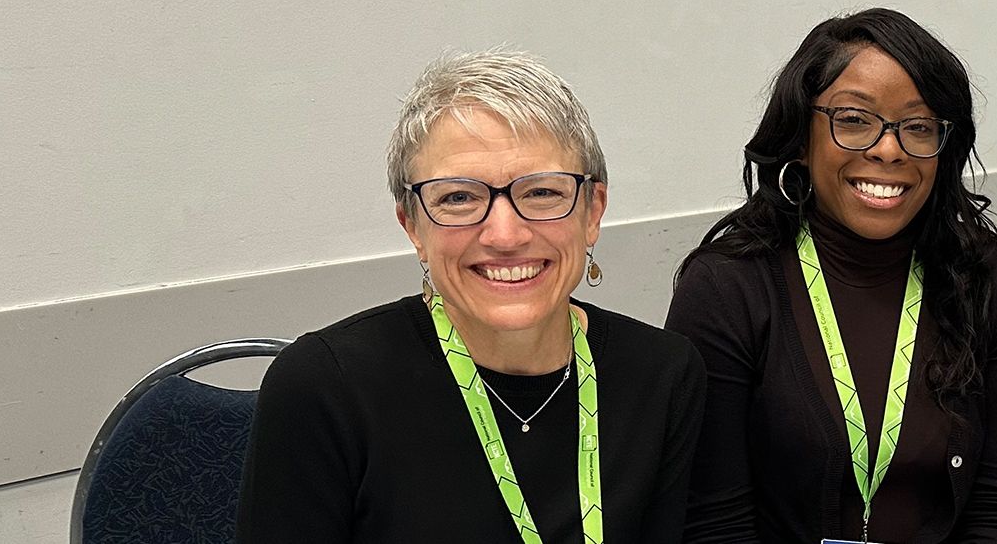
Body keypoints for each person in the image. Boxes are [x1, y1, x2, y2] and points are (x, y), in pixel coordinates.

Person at [237, 50, 707, 542]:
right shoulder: (324, 387)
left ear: (592, 212)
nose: (505, 235)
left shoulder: (663, 376)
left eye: (541, 193)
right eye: (458, 197)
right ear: (412, 226)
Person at [666, 8, 997, 543]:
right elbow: (714, 525)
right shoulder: (727, 288)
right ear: (802, 137)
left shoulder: (991, 278)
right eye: (854, 120)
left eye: (918, 127)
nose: (888, 149)